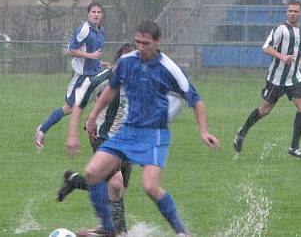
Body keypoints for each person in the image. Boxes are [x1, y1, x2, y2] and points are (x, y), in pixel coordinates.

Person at [74, 20, 219, 237]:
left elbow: (196, 100)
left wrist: (203, 131)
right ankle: (107, 228)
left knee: (150, 187)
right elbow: (110, 90)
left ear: (158, 42)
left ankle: (182, 232)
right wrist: (92, 117)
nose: (141, 47)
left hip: (155, 134)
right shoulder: (127, 62)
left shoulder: (169, 69)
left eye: (146, 43)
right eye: (138, 42)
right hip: (127, 132)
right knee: (92, 173)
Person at [57, 43, 184, 236]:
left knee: (117, 190)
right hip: (102, 136)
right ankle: (113, 230)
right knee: (115, 182)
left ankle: (77, 183)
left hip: (127, 139)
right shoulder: (103, 80)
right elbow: (79, 105)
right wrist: (73, 135)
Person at [233, 1, 301, 160]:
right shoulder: (280, 29)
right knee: (264, 110)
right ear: (287, 12)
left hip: (294, 78)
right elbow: (266, 47)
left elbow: (297, 52)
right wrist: (282, 57)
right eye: (290, 11)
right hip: (277, 78)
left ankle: (294, 147)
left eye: (296, 11)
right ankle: (241, 133)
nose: (292, 13)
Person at [34, 2, 108, 149]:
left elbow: (94, 55)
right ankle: (42, 129)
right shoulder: (84, 30)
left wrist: (100, 63)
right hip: (81, 77)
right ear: (88, 14)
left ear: (102, 15)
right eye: (93, 12)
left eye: (99, 12)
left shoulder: (101, 31)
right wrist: (91, 56)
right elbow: (70, 50)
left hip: (95, 74)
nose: (96, 14)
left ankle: (101, 141)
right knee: (68, 108)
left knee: (104, 102)